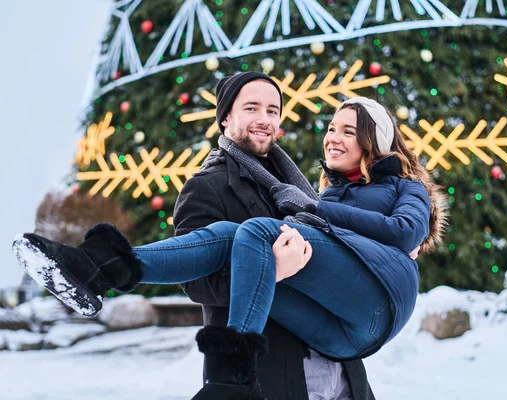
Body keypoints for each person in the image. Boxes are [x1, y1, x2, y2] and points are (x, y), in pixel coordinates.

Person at [12, 75, 446, 399]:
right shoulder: (209, 185)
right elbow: (199, 284)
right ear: (225, 117)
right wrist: (273, 271)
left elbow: (387, 237)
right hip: (281, 370)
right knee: (233, 236)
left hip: (342, 366)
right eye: (251, 108)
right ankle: (95, 269)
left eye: (272, 110)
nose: (264, 118)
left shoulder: (306, 188)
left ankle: (100, 271)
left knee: (251, 233)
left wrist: (308, 225)